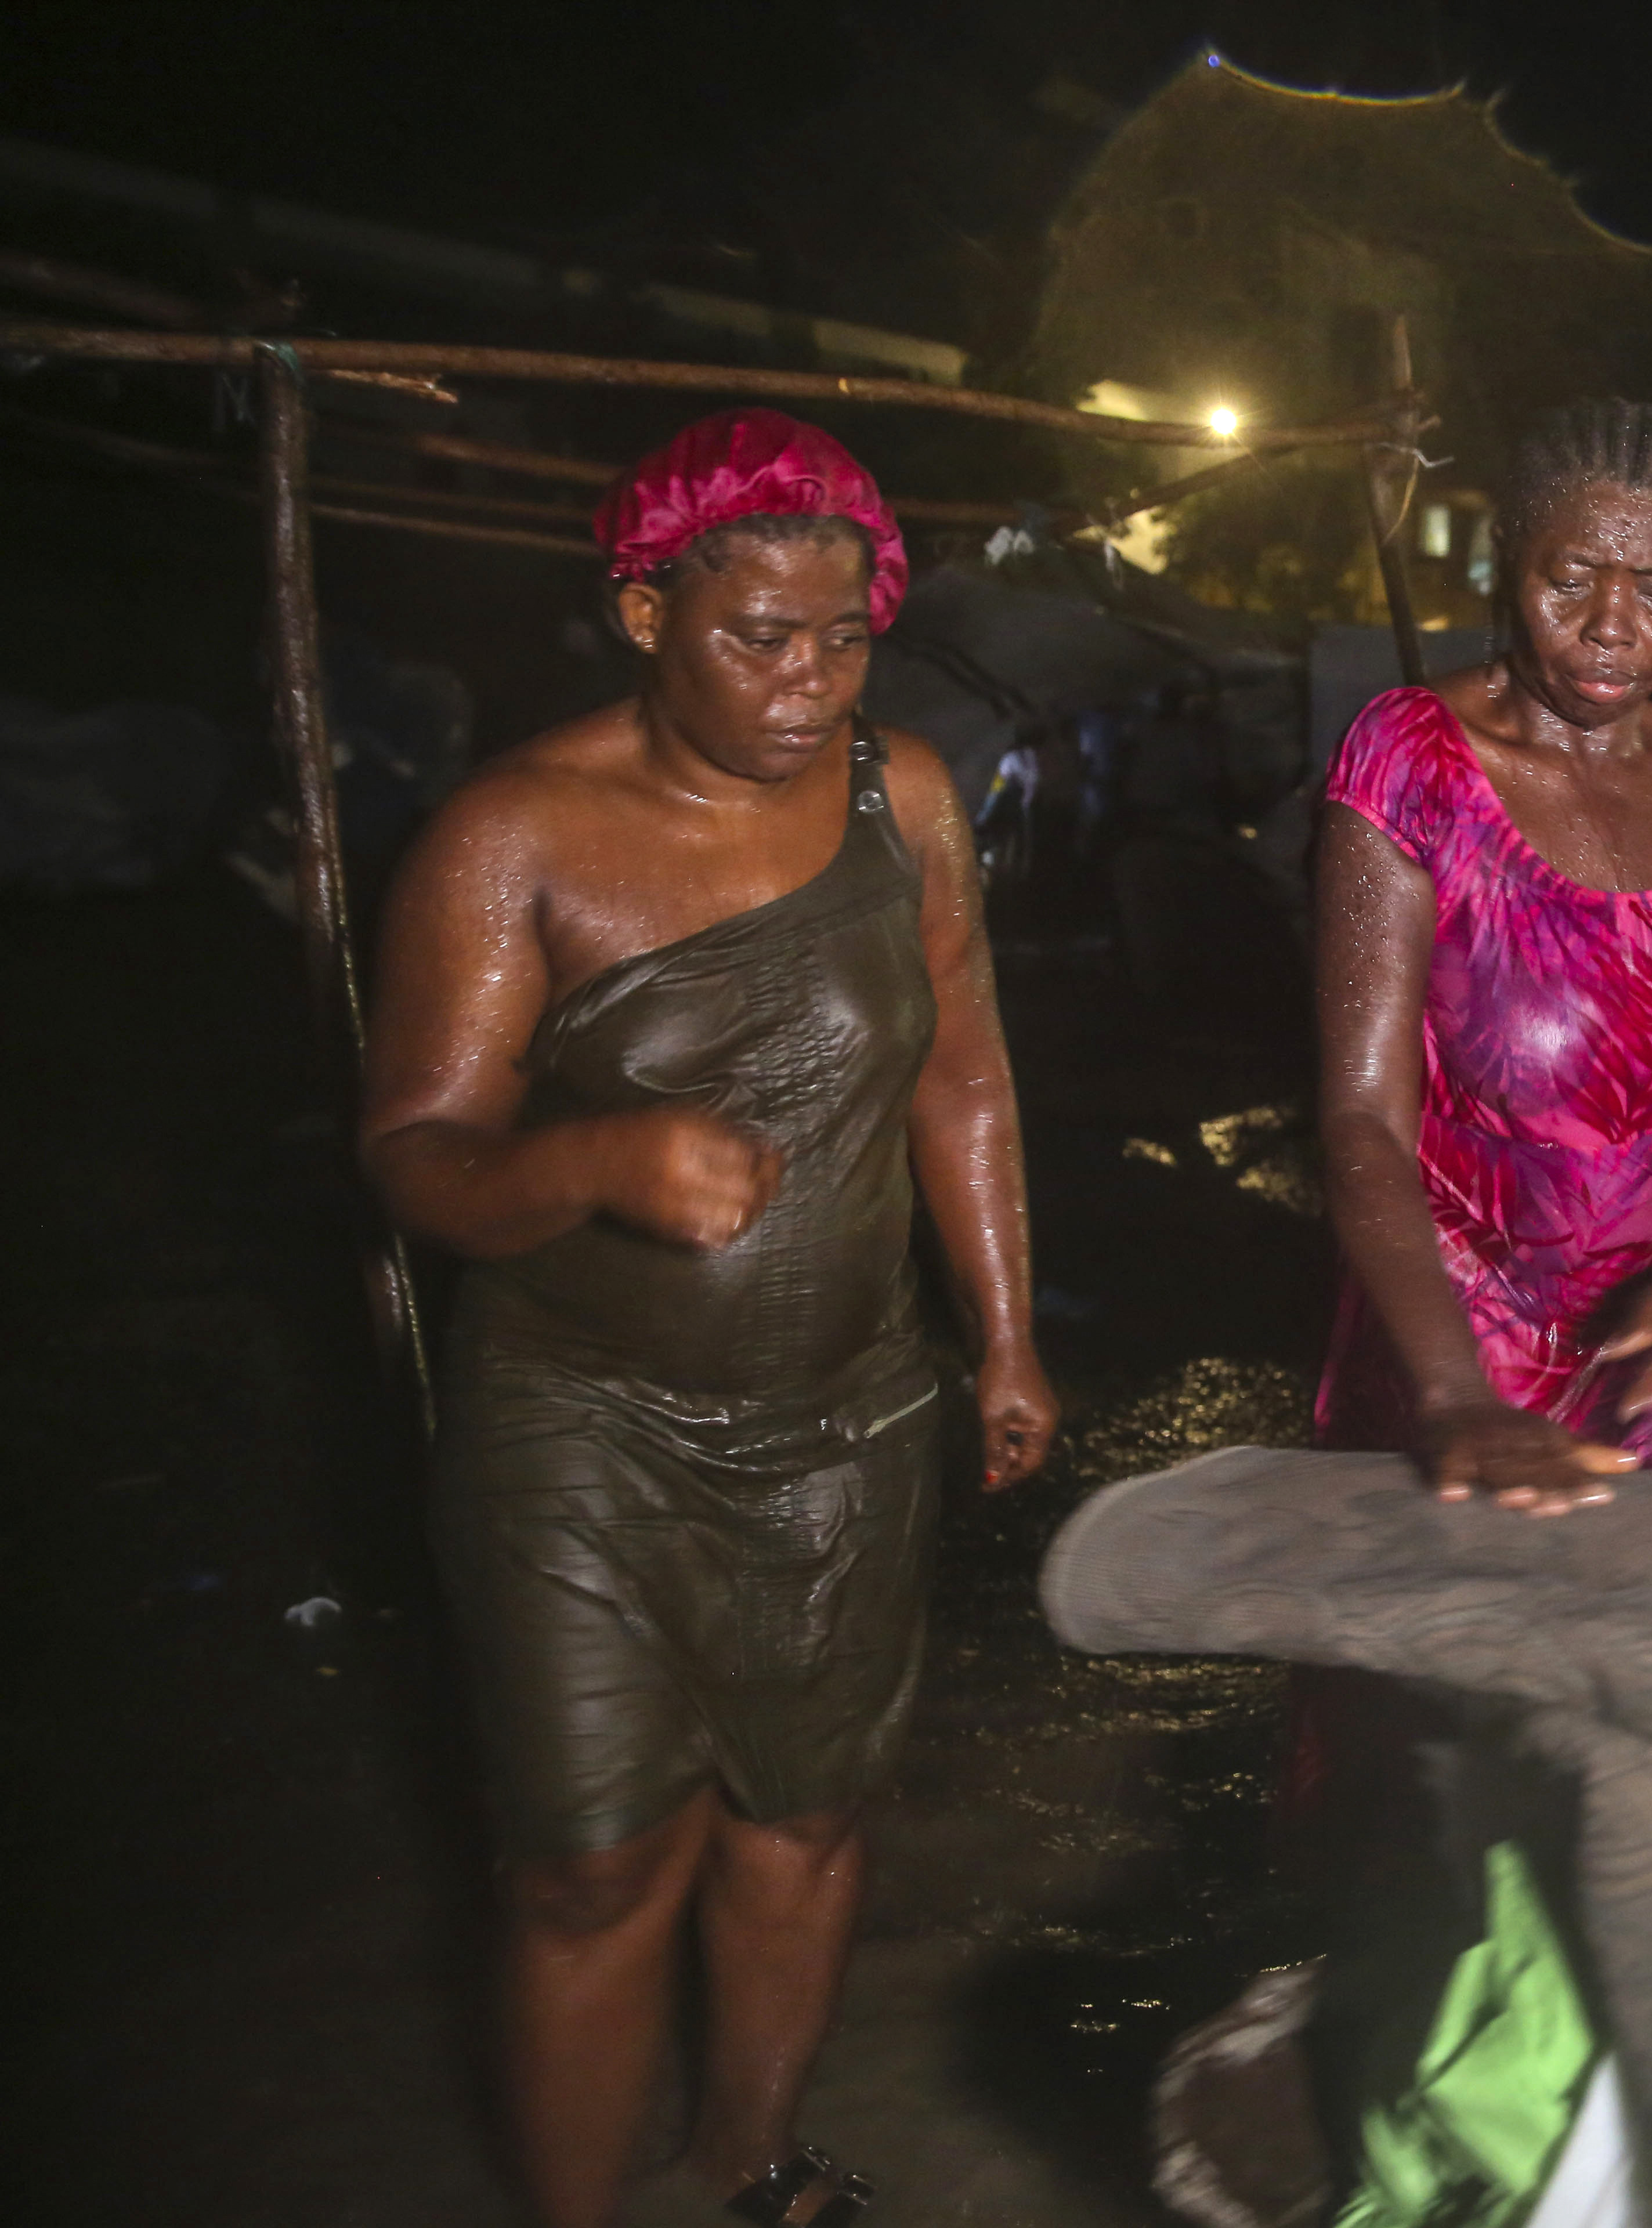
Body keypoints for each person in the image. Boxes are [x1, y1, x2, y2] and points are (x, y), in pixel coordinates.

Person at [360, 407, 1057, 2228]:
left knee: (803, 1826)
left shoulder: (901, 799)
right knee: (592, 1869)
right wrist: (593, 1160)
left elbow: (963, 1072)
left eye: (845, 641)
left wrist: (1005, 1333)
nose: (809, 685)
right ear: (646, 611)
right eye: (760, 637)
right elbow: (417, 1156)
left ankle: (751, 2165)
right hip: (579, 1431)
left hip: (846, 1418)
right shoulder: (514, 834)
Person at [1315, 395, 1652, 1511]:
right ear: (1506, 562)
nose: (1612, 627)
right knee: (1418, 1674)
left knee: (1610, 1672)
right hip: (1438, 1356)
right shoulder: (1414, 763)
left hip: (1640, 1367)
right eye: (1570, 578)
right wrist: (1450, 1394)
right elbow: (1359, 1120)